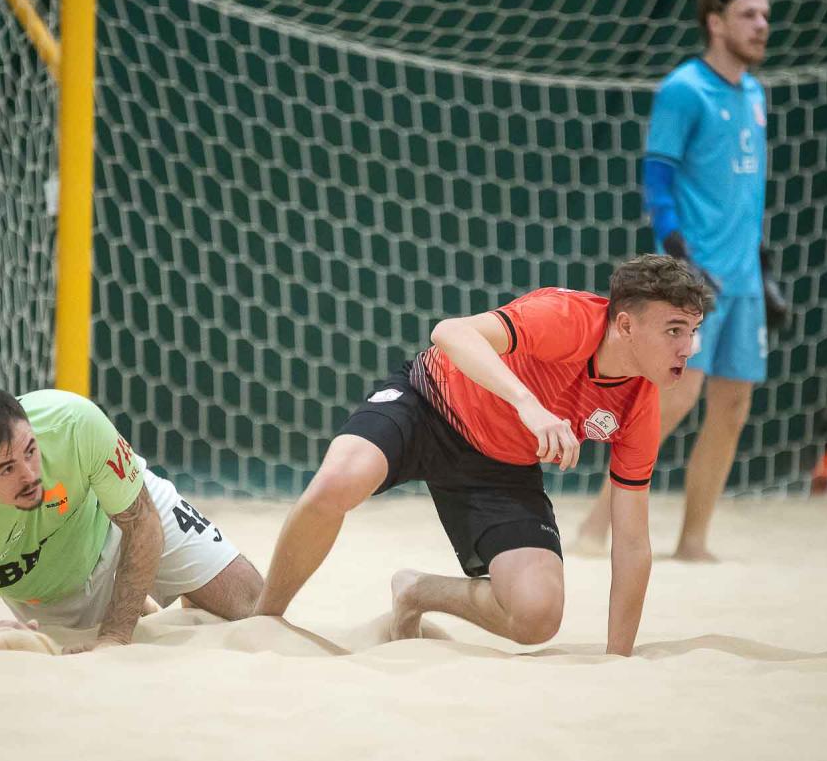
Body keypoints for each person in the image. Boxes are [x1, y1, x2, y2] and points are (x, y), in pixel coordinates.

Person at [254, 255, 714, 656]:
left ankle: (416, 591)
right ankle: (262, 620)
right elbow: (449, 332)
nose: (688, 347)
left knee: (537, 615)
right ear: (626, 325)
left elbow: (632, 543)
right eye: (674, 330)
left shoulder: (639, 407)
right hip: (428, 403)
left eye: (692, 331)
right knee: (338, 481)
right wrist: (528, 404)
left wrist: (618, 659)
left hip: (499, 468)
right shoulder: (569, 319)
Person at [574, 0, 787, 562]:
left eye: (765, 15)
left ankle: (693, 541)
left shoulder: (754, 94)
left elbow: (746, 192)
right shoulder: (684, 89)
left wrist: (761, 265)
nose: (762, 25)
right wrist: (683, 265)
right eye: (749, 15)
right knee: (673, 400)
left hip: (743, 279)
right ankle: (593, 527)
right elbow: (658, 183)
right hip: (697, 277)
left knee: (734, 407)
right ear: (715, 22)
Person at [0, 387, 262, 652]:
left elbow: (141, 520)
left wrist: (115, 635)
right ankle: (139, 600)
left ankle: (150, 596)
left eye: (31, 451)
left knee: (250, 603)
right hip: (55, 590)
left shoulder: (74, 423)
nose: (30, 475)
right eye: (7, 469)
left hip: (118, 515)